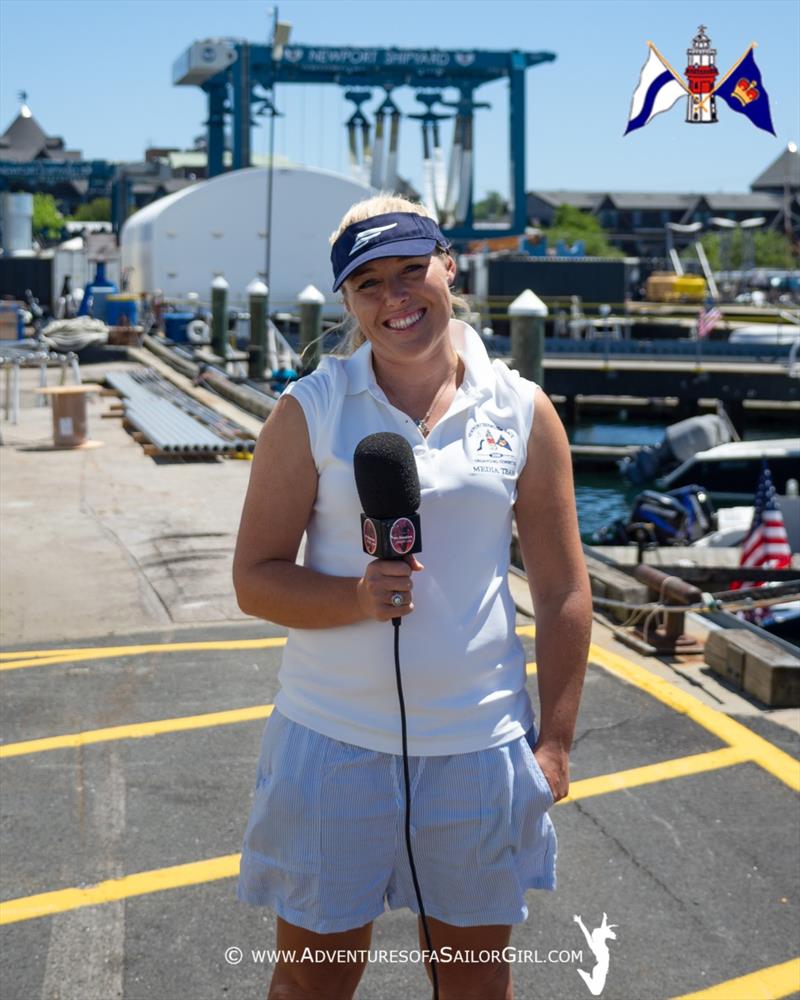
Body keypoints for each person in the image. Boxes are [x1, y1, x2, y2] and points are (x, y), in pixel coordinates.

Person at [233, 194, 592, 1000]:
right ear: (348, 303)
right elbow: (254, 577)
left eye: (410, 271)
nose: (395, 298)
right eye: (369, 285)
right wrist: (355, 598)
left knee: (473, 987)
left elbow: (565, 584)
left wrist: (557, 743)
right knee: (310, 986)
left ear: (448, 267)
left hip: (478, 747)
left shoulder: (521, 408)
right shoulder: (310, 411)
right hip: (332, 745)